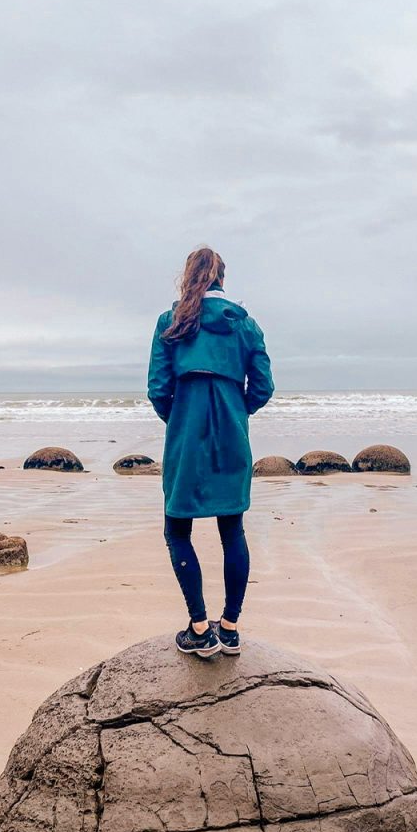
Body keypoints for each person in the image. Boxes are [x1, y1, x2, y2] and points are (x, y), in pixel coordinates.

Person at [147, 246, 274, 658]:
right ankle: (231, 629)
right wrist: (237, 412)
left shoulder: (172, 321)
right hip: (231, 433)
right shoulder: (245, 324)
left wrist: (182, 419)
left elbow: (157, 389)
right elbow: (263, 387)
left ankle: (200, 629)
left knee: (177, 530)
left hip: (186, 433)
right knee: (232, 530)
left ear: (188, 277)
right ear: (223, 278)